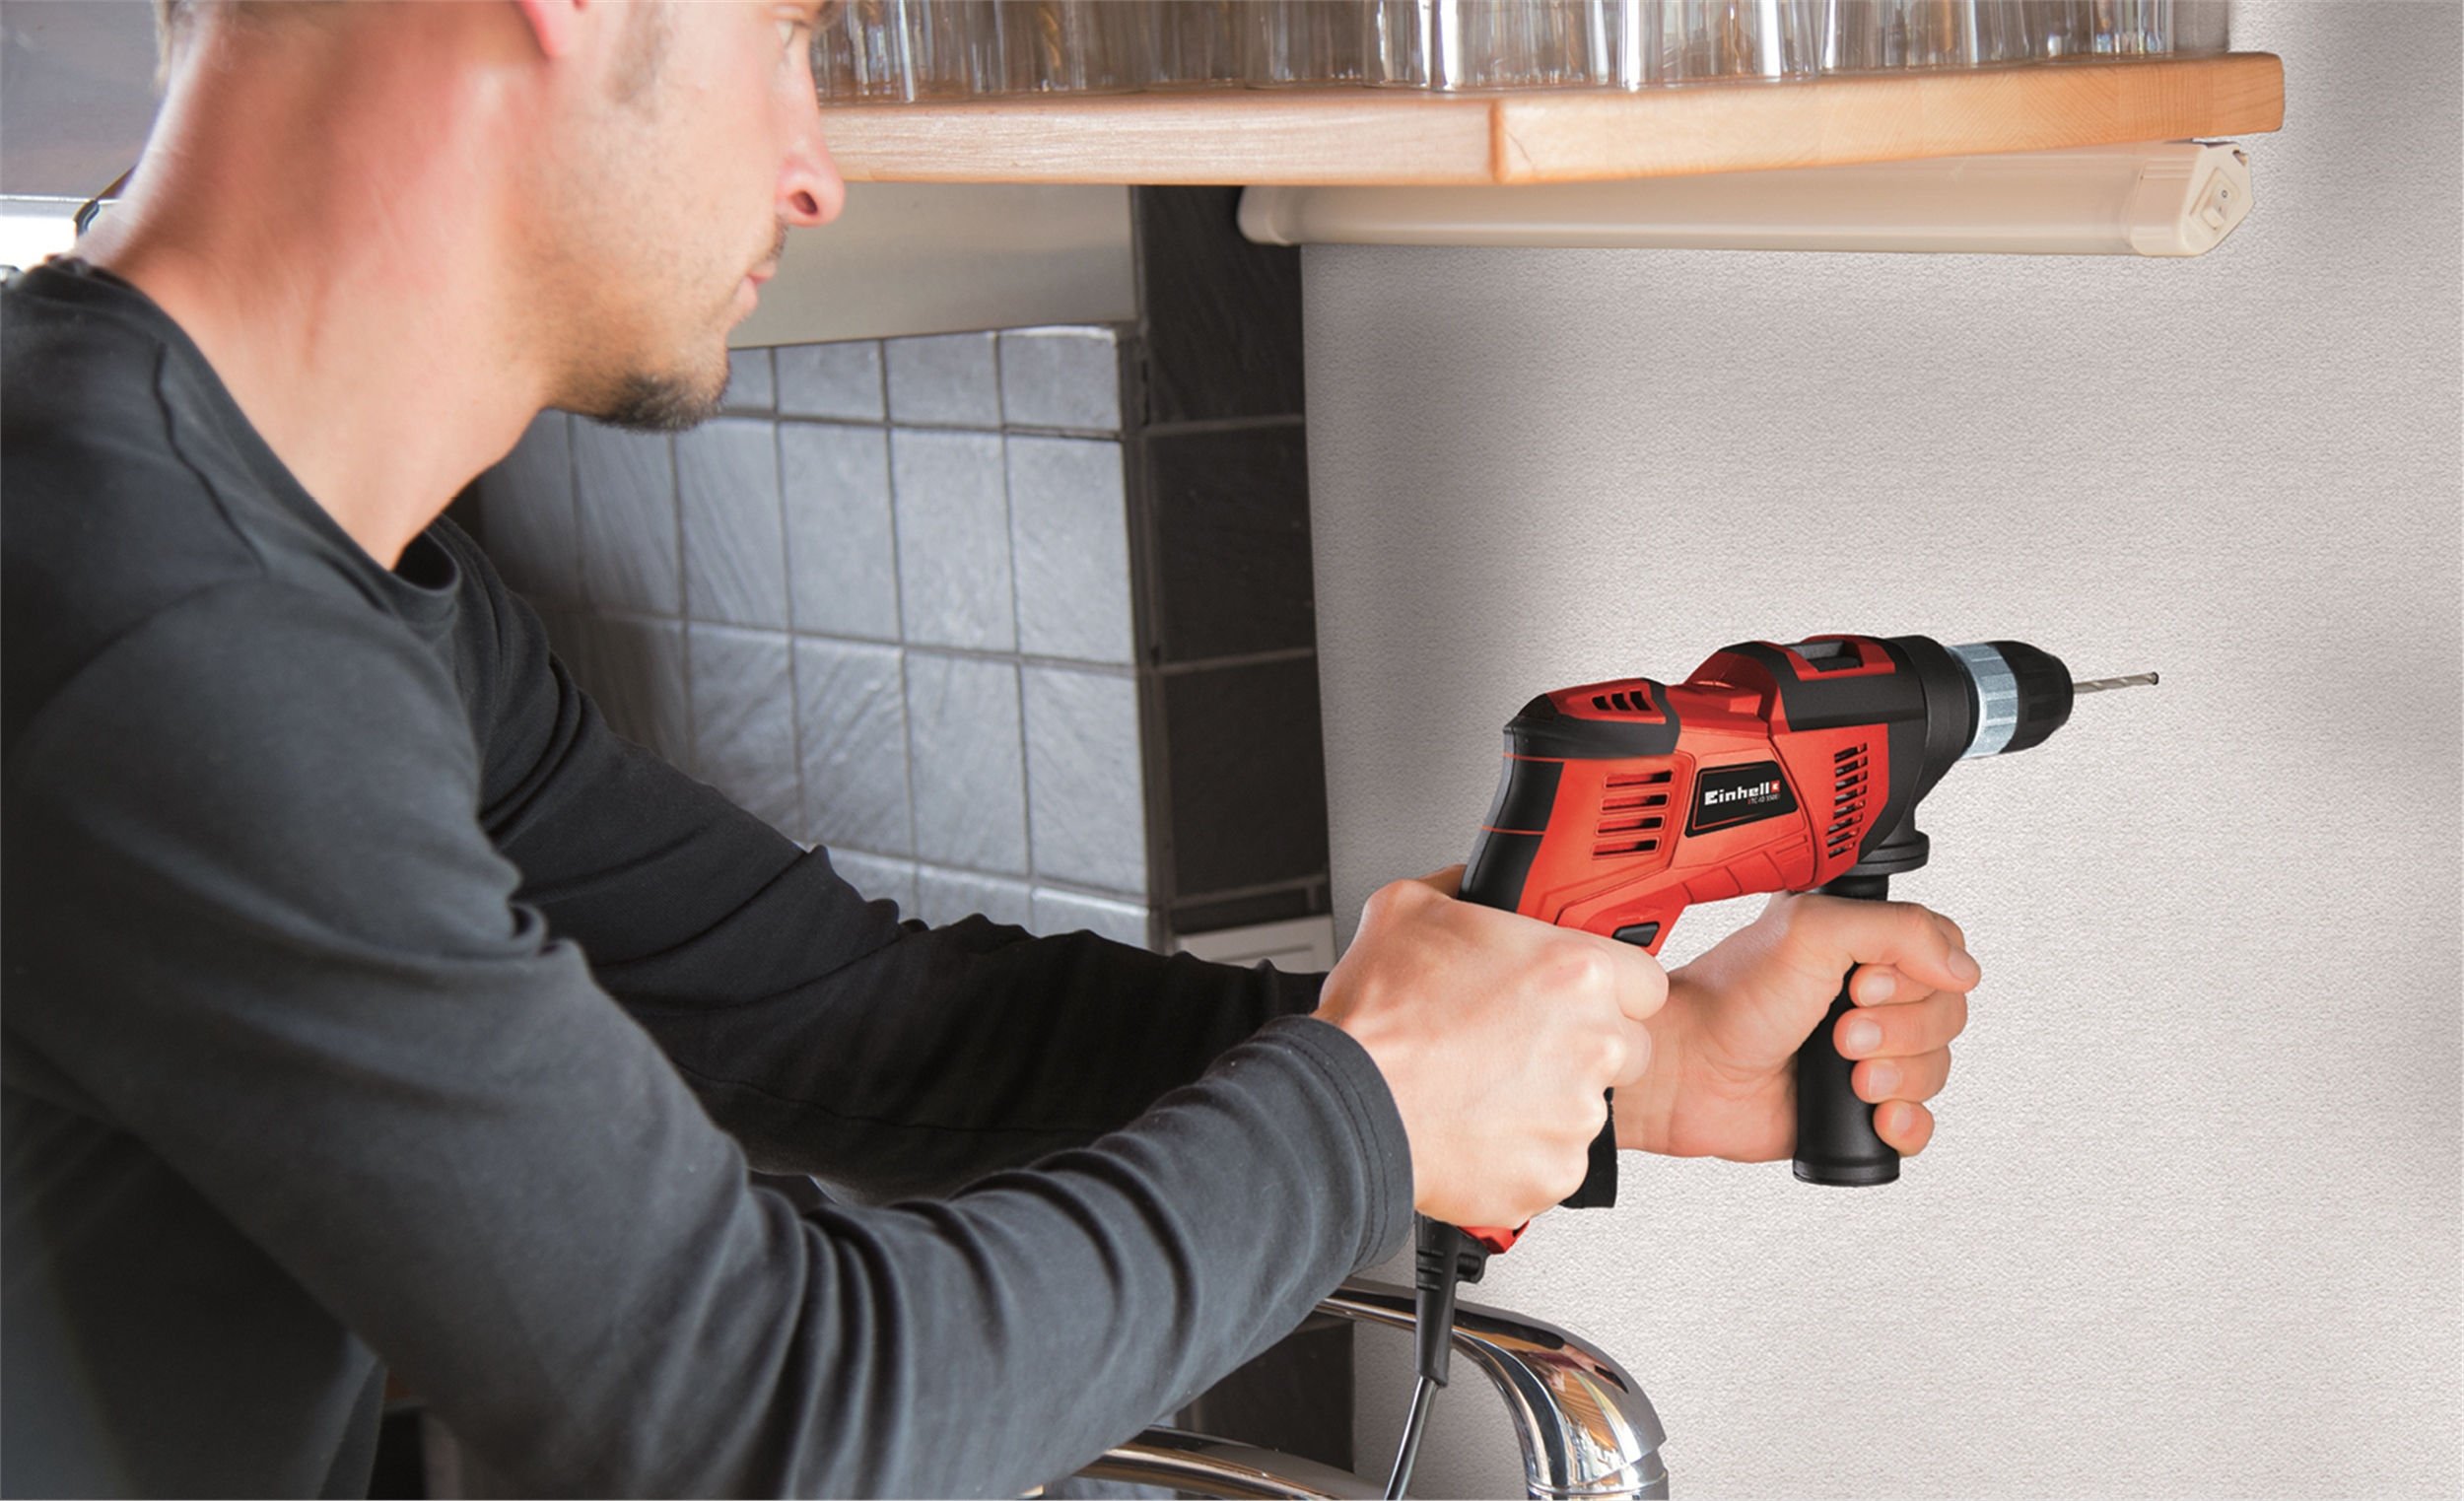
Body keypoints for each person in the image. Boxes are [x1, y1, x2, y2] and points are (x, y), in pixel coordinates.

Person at [0, 2, 1981, 1495]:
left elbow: (847, 1024)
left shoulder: (270, 555)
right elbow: (756, 1423)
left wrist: (1610, 1060)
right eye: (786, 36)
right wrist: (1373, 1107)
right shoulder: (155, 624)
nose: (816, 170)